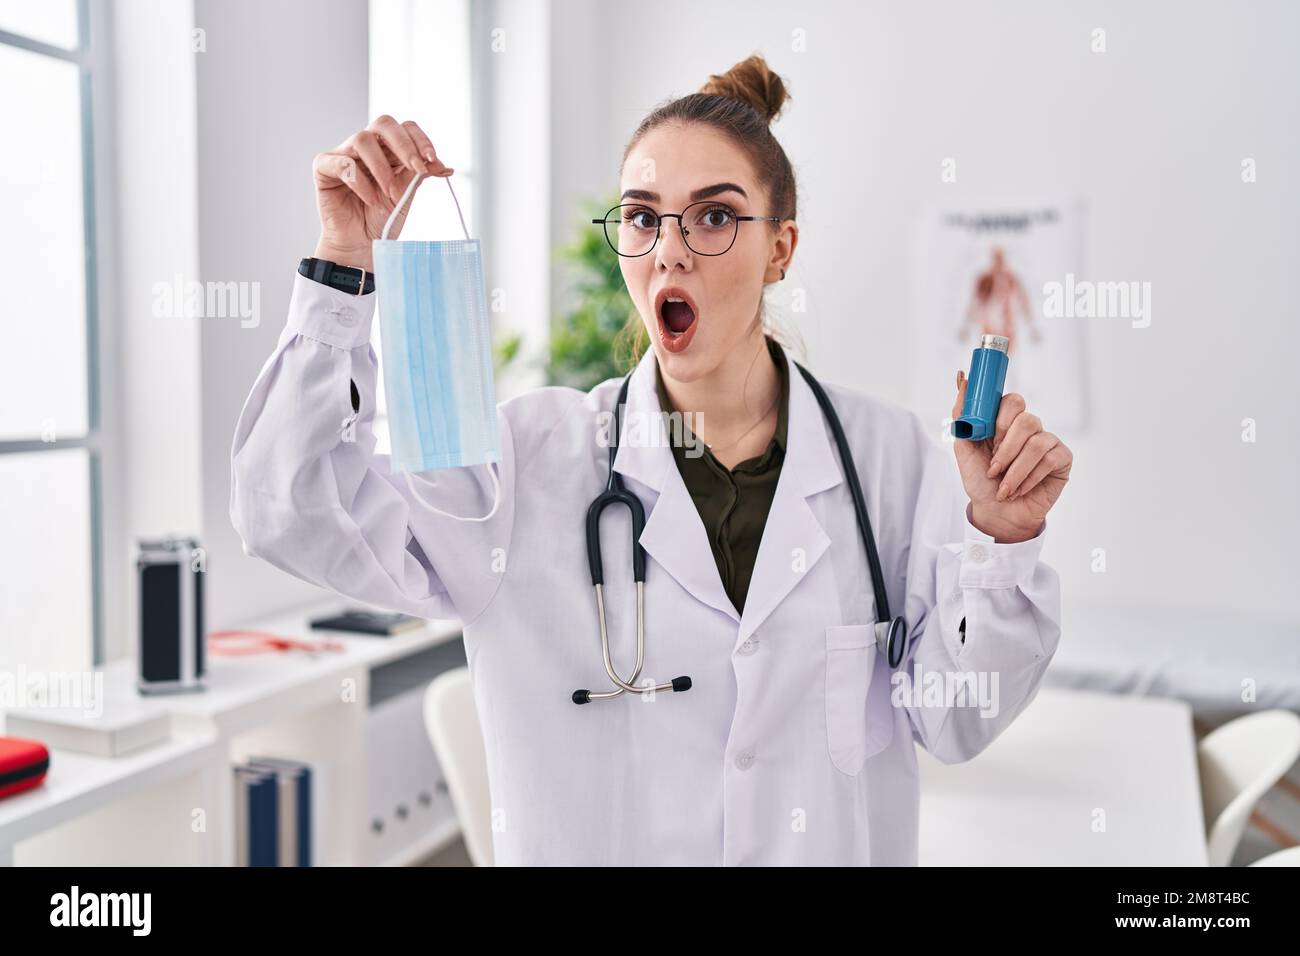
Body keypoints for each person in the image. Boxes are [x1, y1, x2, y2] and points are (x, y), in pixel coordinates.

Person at [230, 54, 1072, 866]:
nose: (670, 249)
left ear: (781, 247)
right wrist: (343, 264)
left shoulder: (886, 461)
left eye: (714, 216)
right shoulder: (525, 464)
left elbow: (960, 720)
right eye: (642, 216)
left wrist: (999, 545)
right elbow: (294, 510)